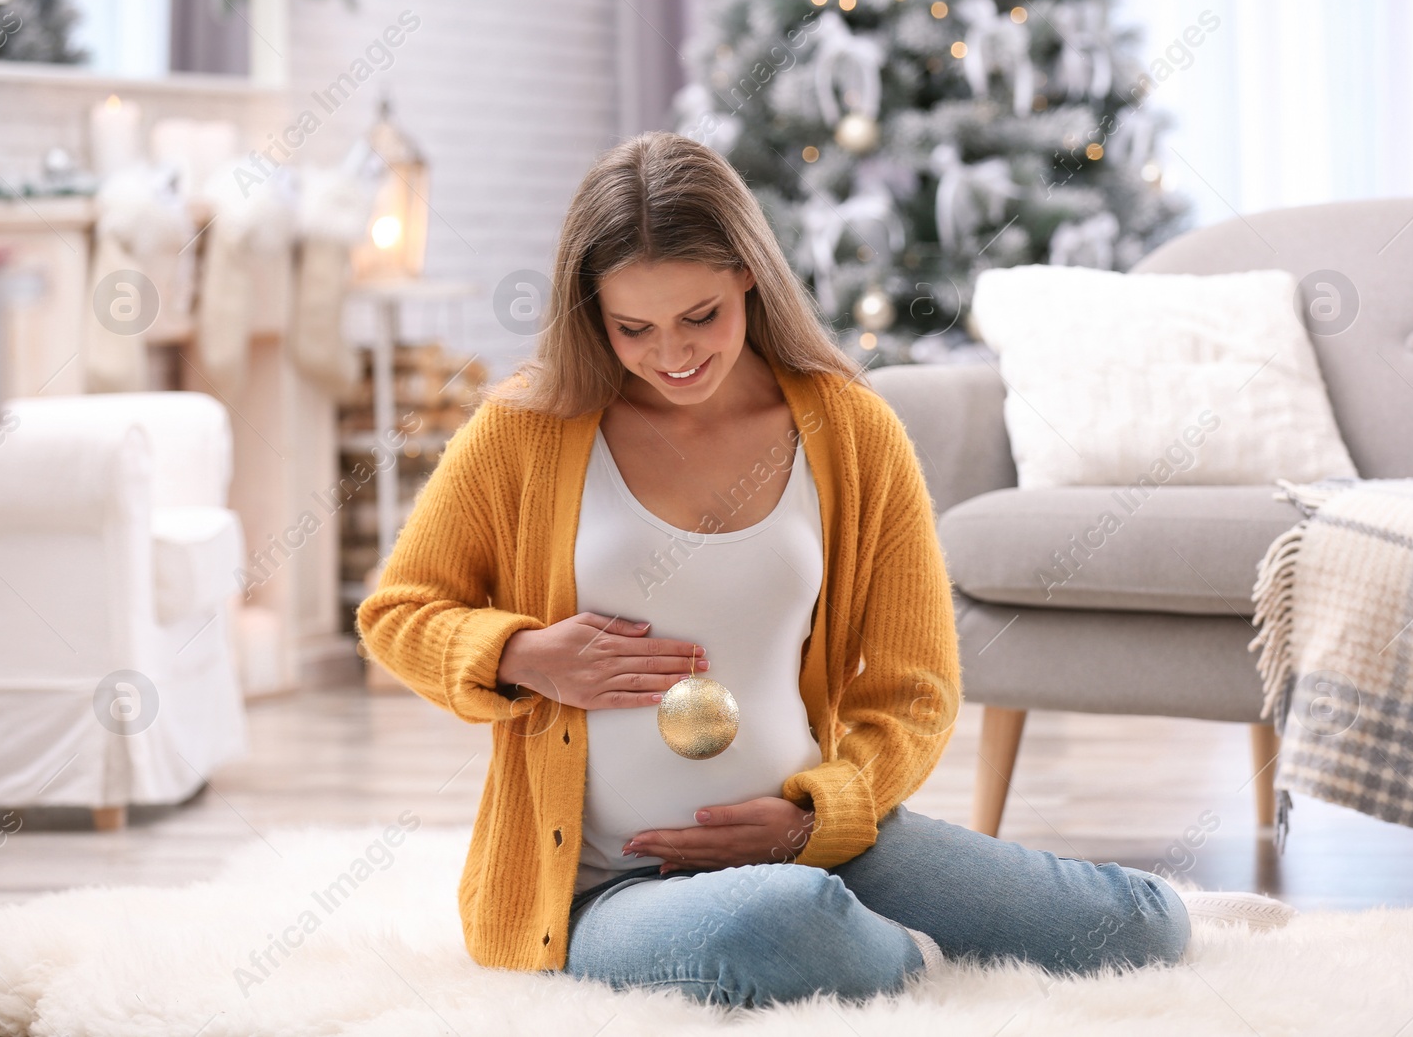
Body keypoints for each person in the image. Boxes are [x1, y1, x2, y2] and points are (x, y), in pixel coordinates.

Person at [356, 131, 1289, 1011]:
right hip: (604, 885)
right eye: (633, 328)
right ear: (590, 313)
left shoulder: (849, 430)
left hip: (826, 843)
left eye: (700, 317)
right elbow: (397, 610)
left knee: (1137, 928)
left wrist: (814, 821)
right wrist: (520, 653)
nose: (672, 356)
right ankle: (884, 951)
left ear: (750, 280)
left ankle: (872, 940)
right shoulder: (527, 430)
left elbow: (915, 689)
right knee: (779, 927)